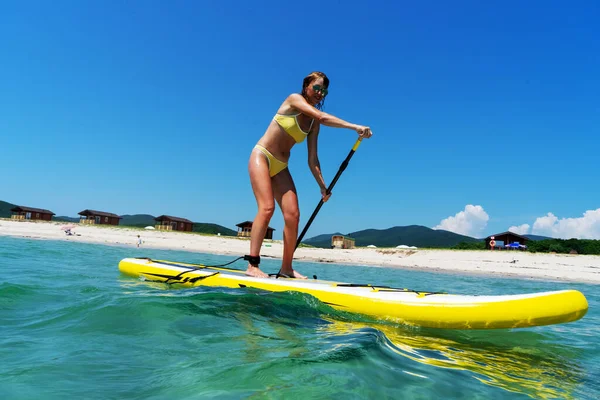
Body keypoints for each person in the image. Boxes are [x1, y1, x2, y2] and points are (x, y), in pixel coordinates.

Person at [245, 71, 373, 278]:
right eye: (317, 88)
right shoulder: (293, 100)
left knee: (293, 215)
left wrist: (322, 186)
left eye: (324, 91)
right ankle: (252, 265)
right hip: (262, 156)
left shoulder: (313, 124)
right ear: (306, 86)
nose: (320, 93)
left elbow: (312, 159)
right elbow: (322, 116)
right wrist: (354, 126)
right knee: (267, 208)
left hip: (281, 166)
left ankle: (286, 268)